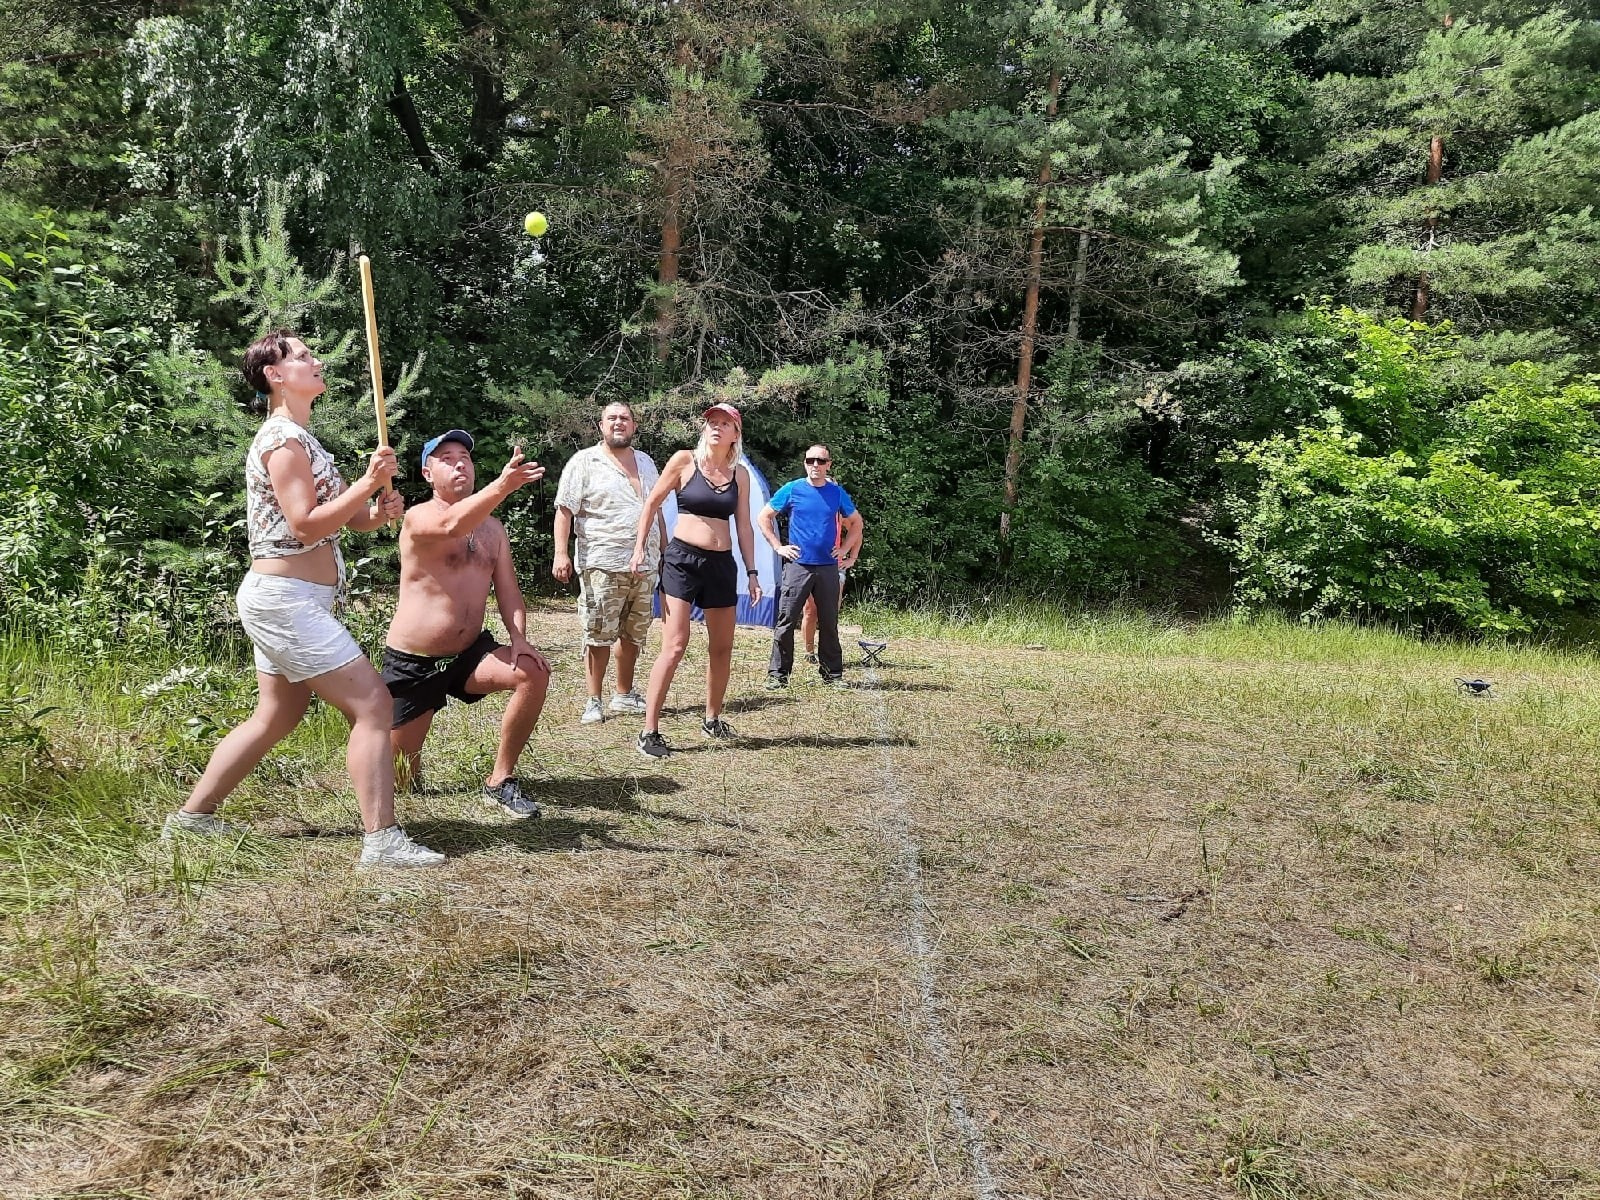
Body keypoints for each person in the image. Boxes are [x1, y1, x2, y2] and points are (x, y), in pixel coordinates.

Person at [162, 330, 445, 870]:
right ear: (275, 375)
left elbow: (344, 521)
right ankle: (382, 841)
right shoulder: (281, 440)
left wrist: (376, 511)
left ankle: (192, 818)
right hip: (284, 600)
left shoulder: (303, 438)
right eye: (302, 356)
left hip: (296, 600)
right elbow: (304, 524)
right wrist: (367, 483)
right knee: (374, 705)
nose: (316, 361)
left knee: (277, 713)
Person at [383, 430, 553, 817]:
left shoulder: (494, 530)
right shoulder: (418, 517)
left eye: (465, 456)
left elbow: (508, 592)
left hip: (468, 654)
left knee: (532, 671)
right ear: (427, 474)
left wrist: (519, 638)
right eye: (446, 458)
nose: (459, 463)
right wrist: (503, 486)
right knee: (402, 781)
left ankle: (501, 779)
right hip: (415, 662)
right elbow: (451, 526)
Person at [628, 403, 762, 759]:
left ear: (736, 433)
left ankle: (712, 718)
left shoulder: (740, 474)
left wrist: (752, 573)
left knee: (722, 647)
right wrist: (639, 549)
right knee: (675, 645)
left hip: (721, 565)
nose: (716, 427)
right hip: (682, 561)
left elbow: (744, 526)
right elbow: (651, 503)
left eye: (725, 423)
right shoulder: (684, 461)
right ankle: (649, 730)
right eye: (711, 422)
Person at [552, 401, 667, 725]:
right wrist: (561, 553)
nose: (619, 422)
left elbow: (656, 510)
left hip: (644, 565)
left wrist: (666, 550)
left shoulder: (646, 462)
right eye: (612, 418)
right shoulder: (584, 462)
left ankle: (624, 694)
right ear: (601, 426)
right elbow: (564, 511)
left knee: (634, 633)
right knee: (598, 634)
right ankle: (594, 700)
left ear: (634, 426)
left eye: (625, 418)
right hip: (602, 563)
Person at [760, 443, 863, 688]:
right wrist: (778, 546)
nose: (815, 465)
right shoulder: (792, 489)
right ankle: (778, 676)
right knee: (786, 621)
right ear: (805, 463)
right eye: (810, 460)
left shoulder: (836, 493)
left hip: (828, 567)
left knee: (829, 622)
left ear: (829, 465)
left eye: (820, 461)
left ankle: (832, 674)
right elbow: (764, 516)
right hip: (798, 566)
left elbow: (857, 523)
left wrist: (845, 550)